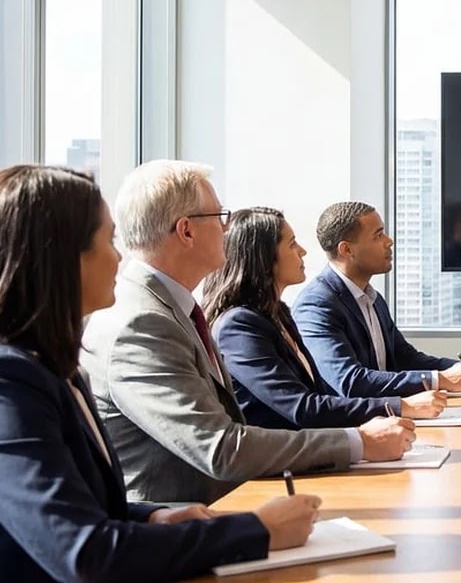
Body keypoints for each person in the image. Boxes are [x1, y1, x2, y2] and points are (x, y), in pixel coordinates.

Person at [0, 165, 320, 582]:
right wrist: (257, 530)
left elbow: (81, 504)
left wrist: (151, 516)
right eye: (107, 240)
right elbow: (84, 553)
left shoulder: (53, 366)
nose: (120, 256)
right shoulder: (11, 382)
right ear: (60, 258)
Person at [81, 161, 415, 504]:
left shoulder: (173, 308)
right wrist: (359, 442)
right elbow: (221, 447)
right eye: (219, 217)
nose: (228, 229)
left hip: (228, 504)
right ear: (186, 231)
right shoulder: (141, 323)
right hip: (184, 526)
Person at [205, 208, 448, 430]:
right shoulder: (239, 326)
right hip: (282, 467)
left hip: (317, 447)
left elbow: (317, 399)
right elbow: (303, 408)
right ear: (264, 258)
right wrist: (399, 407)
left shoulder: (279, 314)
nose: (303, 250)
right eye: (291, 244)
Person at [293, 201, 461, 398]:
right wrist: (440, 380)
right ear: (347, 249)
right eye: (378, 235)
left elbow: (404, 358)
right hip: (354, 431)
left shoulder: (372, 298)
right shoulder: (316, 304)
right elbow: (349, 382)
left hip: (389, 419)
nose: (389, 241)